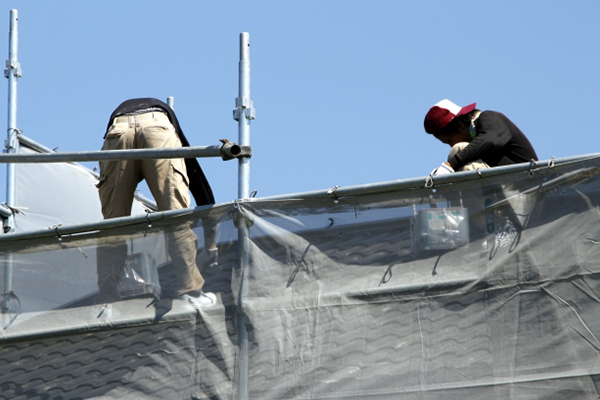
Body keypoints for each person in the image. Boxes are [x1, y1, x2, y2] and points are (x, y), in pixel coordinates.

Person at [96, 98, 217, 306]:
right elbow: (202, 190)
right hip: (157, 126)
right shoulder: (172, 130)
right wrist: (212, 247)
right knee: (175, 216)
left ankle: (106, 299)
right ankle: (191, 292)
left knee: (113, 224)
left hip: (118, 129)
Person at [424, 99, 538, 175]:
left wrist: (450, 165)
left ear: (460, 126)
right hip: (504, 195)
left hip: (526, 189)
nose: (451, 145)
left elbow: (490, 140)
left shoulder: (491, 119)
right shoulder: (477, 146)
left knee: (459, 149)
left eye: (449, 141)